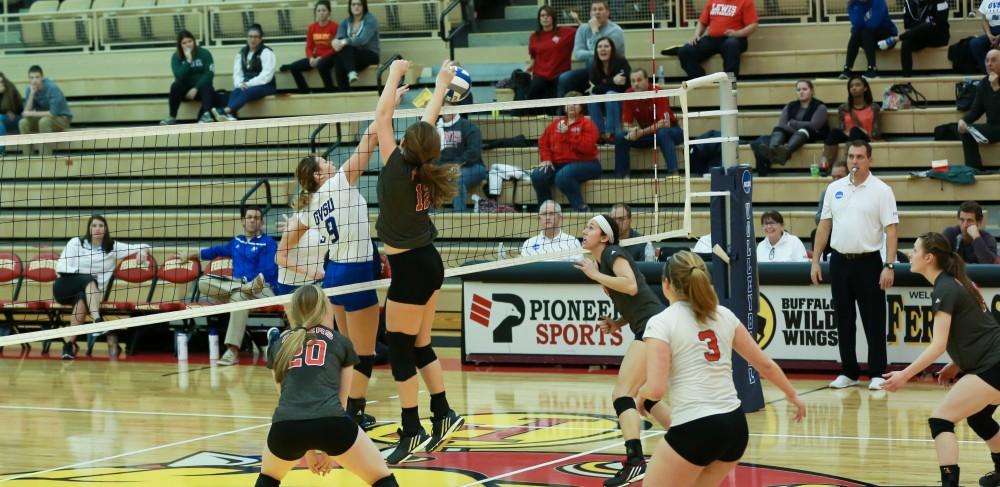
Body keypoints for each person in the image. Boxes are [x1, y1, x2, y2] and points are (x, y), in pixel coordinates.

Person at [637, 250, 806, 486]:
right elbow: (765, 365)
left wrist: (641, 395)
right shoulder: (723, 315)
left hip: (696, 429)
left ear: (666, 284)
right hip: (735, 430)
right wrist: (792, 395)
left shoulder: (661, 322)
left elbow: (655, 389)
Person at [290, 105, 404, 430]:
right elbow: (368, 141)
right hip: (354, 273)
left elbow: (286, 244)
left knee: (344, 349)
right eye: (324, 161)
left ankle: (338, 407)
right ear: (318, 174)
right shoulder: (337, 184)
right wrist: (387, 105)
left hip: (334, 275)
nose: (330, 161)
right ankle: (353, 413)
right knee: (362, 353)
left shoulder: (310, 204)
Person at [374, 58, 464, 464]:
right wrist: (441, 85)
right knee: (421, 343)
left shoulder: (396, 168)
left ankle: (411, 429)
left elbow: (381, 116)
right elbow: (426, 127)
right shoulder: (422, 165)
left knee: (399, 351)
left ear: (407, 146)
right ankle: (443, 413)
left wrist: (395, 74)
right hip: (428, 263)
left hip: (411, 270)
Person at [881, 232, 1000, 487]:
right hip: (993, 362)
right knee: (979, 418)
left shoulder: (945, 288)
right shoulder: (956, 282)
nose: (910, 254)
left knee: (940, 420)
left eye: (914, 249)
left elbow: (938, 345)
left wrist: (904, 375)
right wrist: (955, 364)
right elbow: (980, 328)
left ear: (929, 257)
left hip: (993, 365)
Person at [256, 284, 397, 487]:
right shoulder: (341, 342)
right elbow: (340, 403)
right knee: (381, 478)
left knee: (268, 478)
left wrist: (309, 449)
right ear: (325, 309)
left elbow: (285, 397)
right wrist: (331, 449)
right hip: (332, 425)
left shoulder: (278, 345)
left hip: (286, 429)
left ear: (293, 312)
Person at [574, 214, 671, 486]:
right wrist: (617, 323)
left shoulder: (614, 253)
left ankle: (635, 461)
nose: (584, 230)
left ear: (604, 237)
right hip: (655, 325)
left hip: (654, 327)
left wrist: (595, 275)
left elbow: (629, 286)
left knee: (622, 394)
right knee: (645, 397)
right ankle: (689, 445)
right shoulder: (602, 261)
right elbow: (635, 296)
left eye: (591, 227)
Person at [811, 140, 899, 391]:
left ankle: (877, 372)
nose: (854, 161)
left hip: (869, 262)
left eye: (860, 156)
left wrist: (889, 265)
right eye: (851, 156)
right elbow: (824, 226)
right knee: (844, 319)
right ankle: (849, 371)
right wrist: (816, 261)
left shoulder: (882, 191)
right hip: (839, 261)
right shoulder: (834, 189)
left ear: (869, 159)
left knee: (873, 320)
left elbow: (891, 231)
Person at [185, 206, 278, 366]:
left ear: (261, 222)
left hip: (262, 288)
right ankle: (232, 351)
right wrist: (193, 254)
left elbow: (269, 270)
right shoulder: (237, 242)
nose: (252, 220)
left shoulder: (268, 243)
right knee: (204, 282)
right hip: (239, 286)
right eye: (249, 217)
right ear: (243, 221)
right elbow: (216, 250)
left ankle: (232, 352)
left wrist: (254, 283)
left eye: (256, 218)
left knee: (238, 297)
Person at [54, 215, 151, 360]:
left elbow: (145, 246)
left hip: (89, 294)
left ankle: (69, 345)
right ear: (89, 229)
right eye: (94, 225)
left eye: (101, 225)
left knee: (81, 299)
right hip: (64, 287)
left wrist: (143, 253)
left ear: (105, 229)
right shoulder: (76, 243)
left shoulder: (112, 248)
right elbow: (61, 267)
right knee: (89, 278)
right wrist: (83, 275)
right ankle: (98, 321)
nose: (97, 228)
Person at [531, 92, 601, 212]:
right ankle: (547, 210)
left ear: (581, 106)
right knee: (537, 175)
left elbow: (587, 148)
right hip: (558, 164)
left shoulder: (587, 124)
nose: (571, 105)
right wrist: (546, 158)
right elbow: (543, 142)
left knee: (563, 176)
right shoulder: (555, 124)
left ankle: (580, 208)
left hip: (587, 163)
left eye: (575, 103)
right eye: (568, 102)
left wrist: (568, 133)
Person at [614, 68, 683, 177]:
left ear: (647, 80)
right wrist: (633, 131)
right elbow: (626, 124)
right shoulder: (629, 94)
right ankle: (622, 177)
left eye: (639, 80)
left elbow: (665, 123)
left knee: (663, 132)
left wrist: (641, 132)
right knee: (620, 137)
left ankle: (674, 174)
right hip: (649, 134)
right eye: (633, 81)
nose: (636, 84)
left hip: (672, 132)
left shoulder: (658, 92)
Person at [753, 79, 829, 176]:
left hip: (813, 135)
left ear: (812, 91)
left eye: (804, 89)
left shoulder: (820, 106)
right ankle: (773, 149)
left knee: (804, 129)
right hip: (794, 135)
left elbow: (814, 125)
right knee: (778, 129)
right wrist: (795, 130)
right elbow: (782, 124)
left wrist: (794, 123)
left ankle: (786, 152)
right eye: (798, 90)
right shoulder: (790, 105)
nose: (801, 92)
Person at [674, 0, 759, 78]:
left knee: (731, 45)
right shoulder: (712, 1)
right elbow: (702, 22)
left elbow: (753, 25)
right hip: (713, 39)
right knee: (685, 51)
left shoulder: (745, 2)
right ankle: (700, 80)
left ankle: (730, 83)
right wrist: (696, 35)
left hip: (735, 39)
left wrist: (737, 33)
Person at [557, 1, 625, 98]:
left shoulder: (616, 31)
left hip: (612, 71)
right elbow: (578, 54)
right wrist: (596, 52)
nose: (597, 12)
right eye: (594, 10)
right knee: (564, 78)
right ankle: (563, 110)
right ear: (590, 13)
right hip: (591, 71)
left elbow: (606, 55)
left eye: (600, 9)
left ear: (607, 13)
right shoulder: (583, 29)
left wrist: (595, 31)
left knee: (592, 60)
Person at [212, 24, 276, 122]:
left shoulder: (266, 52)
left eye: (255, 37)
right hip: (247, 84)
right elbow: (237, 74)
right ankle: (231, 117)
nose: (252, 39)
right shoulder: (241, 53)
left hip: (267, 86)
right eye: (250, 36)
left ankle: (225, 111)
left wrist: (248, 84)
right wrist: (240, 84)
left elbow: (267, 75)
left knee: (247, 91)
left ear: (260, 39)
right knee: (236, 91)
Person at [819, 75, 880, 172]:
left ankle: (850, 166)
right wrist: (846, 132)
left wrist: (865, 132)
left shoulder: (873, 107)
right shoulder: (844, 108)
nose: (854, 88)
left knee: (855, 130)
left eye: (857, 85)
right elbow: (841, 128)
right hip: (849, 136)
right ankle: (825, 165)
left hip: (866, 137)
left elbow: (876, 132)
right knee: (834, 132)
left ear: (865, 88)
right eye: (851, 86)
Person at [877, 0, 949, 78]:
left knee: (928, 25)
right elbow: (908, 27)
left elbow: (938, 25)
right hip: (919, 36)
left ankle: (896, 39)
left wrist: (920, 27)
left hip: (937, 37)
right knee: (906, 43)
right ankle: (906, 78)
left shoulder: (941, 2)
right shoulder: (908, 3)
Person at [280, 0, 339, 93]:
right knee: (294, 67)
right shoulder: (312, 27)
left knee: (321, 65)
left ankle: (330, 90)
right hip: (315, 57)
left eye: (324, 10)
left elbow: (335, 48)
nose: (321, 13)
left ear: (329, 12)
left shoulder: (335, 26)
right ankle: (305, 91)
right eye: (318, 11)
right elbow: (309, 47)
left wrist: (320, 58)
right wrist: (311, 58)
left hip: (329, 57)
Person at [437, 101, 486, 211]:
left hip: (473, 167)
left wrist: (455, 165)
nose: (447, 110)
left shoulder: (469, 127)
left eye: (450, 107)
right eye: (444, 107)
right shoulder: (435, 129)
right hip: (444, 169)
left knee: (457, 179)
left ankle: (459, 219)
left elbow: (474, 152)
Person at [958, 49, 1000, 171]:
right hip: (993, 127)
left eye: (993, 60)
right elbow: (976, 110)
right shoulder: (983, 83)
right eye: (987, 60)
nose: (989, 64)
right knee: (966, 131)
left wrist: (996, 88)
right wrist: (963, 120)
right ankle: (975, 169)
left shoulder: (993, 84)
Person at [162, 31, 215, 125]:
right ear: (180, 45)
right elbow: (179, 76)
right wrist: (188, 60)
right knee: (175, 86)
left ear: (194, 41)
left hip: (200, 90)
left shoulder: (204, 53)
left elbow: (209, 74)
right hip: (185, 92)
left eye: (190, 41)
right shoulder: (176, 56)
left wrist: (196, 88)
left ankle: (206, 115)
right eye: (184, 43)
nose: (188, 45)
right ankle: (172, 117)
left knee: (208, 86)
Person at [526, 5, 577, 103]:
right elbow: (533, 57)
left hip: (559, 75)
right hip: (540, 75)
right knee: (534, 89)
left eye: (548, 15)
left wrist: (577, 20)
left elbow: (582, 31)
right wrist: (529, 68)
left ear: (553, 17)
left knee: (555, 100)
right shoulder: (534, 36)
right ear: (539, 19)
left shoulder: (565, 32)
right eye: (542, 15)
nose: (545, 17)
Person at [19, 65, 71, 156]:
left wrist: (32, 114)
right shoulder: (29, 89)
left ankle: (45, 158)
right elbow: (25, 114)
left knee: (44, 121)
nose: (34, 80)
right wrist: (32, 94)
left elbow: (52, 113)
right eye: (31, 78)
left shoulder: (52, 88)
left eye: (37, 77)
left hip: (62, 119)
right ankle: (28, 158)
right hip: (43, 119)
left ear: (42, 77)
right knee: (23, 122)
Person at [587, 37, 630, 142]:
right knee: (592, 97)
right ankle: (598, 134)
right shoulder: (594, 66)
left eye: (606, 46)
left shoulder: (621, 62)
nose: (603, 49)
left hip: (621, 102)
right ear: (596, 50)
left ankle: (613, 133)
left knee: (610, 94)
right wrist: (612, 81)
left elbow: (622, 86)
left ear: (612, 49)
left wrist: (603, 84)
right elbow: (595, 90)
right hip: (604, 103)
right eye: (600, 47)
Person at [840, 0, 897, 79]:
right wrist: (859, 6)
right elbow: (856, 24)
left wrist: (860, 26)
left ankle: (872, 69)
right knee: (856, 34)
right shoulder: (853, 4)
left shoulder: (879, 2)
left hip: (887, 38)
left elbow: (874, 23)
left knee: (865, 31)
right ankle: (847, 69)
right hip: (868, 39)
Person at [331, 0, 380, 91]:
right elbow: (339, 37)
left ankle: (350, 76)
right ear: (350, 6)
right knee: (339, 59)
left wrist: (343, 42)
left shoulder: (370, 20)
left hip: (370, 55)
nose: (356, 7)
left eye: (359, 4)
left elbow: (362, 40)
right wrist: (335, 42)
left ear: (364, 6)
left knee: (344, 50)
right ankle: (346, 92)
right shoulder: (346, 21)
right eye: (353, 4)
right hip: (352, 56)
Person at [970, 0, 1000, 75]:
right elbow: (984, 21)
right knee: (975, 43)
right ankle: (989, 74)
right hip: (992, 30)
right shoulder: (986, 1)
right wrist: (989, 35)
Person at [0, 72, 23, 140]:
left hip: (16, 118)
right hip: (4, 118)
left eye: (1, 82)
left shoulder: (11, 90)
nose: (0, 84)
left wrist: (6, 111)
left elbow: (19, 109)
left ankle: (1, 149)